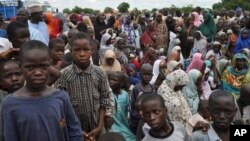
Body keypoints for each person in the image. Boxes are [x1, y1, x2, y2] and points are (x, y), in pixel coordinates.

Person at [1, 40, 83, 141]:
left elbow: (75, 131)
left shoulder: (61, 97)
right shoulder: (10, 103)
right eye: (30, 67)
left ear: (50, 65)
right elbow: (10, 136)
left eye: (43, 66)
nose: (38, 72)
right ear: (20, 66)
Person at [55, 33, 113, 140]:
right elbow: (61, 106)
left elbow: (104, 99)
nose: (82, 54)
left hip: (97, 126)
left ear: (91, 51)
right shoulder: (64, 75)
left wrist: (100, 126)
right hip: (74, 130)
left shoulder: (99, 72)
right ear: (71, 51)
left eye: (86, 49)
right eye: (77, 50)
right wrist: (77, 130)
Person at [109, 71, 136, 141]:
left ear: (121, 83)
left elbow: (126, 112)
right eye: (110, 79)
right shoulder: (107, 94)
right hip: (111, 126)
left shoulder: (125, 95)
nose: (111, 81)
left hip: (123, 125)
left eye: (114, 80)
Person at [130, 63, 155, 134]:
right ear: (140, 74)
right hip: (139, 120)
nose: (147, 77)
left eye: (149, 74)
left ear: (152, 75)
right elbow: (133, 107)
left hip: (151, 118)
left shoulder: (152, 88)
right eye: (145, 74)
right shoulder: (136, 89)